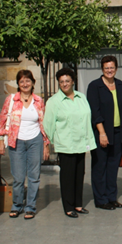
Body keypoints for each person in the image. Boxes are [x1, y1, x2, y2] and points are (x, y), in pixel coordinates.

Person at [0, 70, 50, 220]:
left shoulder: (38, 101)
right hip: (16, 141)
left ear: (33, 82)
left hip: (35, 141)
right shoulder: (11, 99)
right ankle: (17, 205)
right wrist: (0, 139)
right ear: (18, 84)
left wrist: (46, 143)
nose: (25, 84)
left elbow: (43, 123)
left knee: (34, 176)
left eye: (28, 81)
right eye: (22, 81)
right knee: (18, 177)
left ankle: (30, 207)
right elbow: (1, 120)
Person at [44, 68, 96, 218]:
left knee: (79, 174)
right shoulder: (54, 102)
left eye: (67, 81)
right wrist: (51, 143)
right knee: (67, 177)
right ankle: (68, 206)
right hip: (66, 144)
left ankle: (78, 204)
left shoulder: (81, 97)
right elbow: (48, 125)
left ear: (73, 81)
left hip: (80, 142)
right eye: (61, 82)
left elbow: (87, 118)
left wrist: (88, 140)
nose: (65, 84)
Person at [87, 55, 122, 210]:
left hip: (117, 132)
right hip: (101, 133)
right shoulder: (95, 86)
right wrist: (102, 133)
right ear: (102, 69)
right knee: (99, 167)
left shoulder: (120, 85)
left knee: (113, 167)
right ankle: (101, 199)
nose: (109, 70)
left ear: (116, 69)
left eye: (112, 68)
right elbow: (95, 112)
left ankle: (111, 197)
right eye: (106, 68)